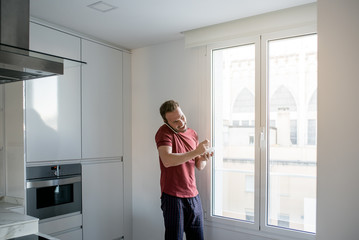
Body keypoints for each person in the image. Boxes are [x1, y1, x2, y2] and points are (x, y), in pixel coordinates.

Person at [155, 100, 213, 240]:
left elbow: (199, 165)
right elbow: (167, 160)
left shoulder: (193, 134)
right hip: (172, 197)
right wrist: (196, 152)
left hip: (193, 196)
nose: (181, 122)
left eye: (182, 117)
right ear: (166, 122)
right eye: (175, 121)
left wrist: (204, 157)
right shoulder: (164, 132)